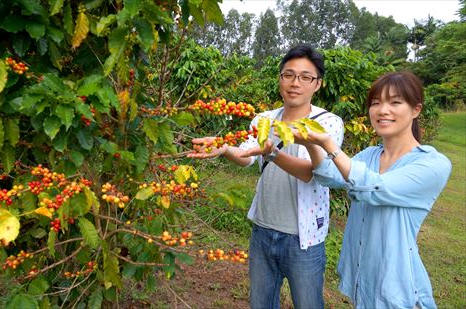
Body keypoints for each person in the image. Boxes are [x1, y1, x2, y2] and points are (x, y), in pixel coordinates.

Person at [188, 44, 344, 309]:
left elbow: (311, 172)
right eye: (288, 74)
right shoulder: (264, 119)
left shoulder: (327, 124)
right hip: (263, 230)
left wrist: (272, 154)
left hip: (303, 239)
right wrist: (225, 147)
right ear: (280, 78)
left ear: (317, 84)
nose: (295, 83)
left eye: (305, 77)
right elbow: (247, 156)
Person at [291, 71, 451, 308]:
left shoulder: (433, 164)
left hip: (399, 290)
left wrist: (328, 144)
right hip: (364, 281)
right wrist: (313, 145)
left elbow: (373, 187)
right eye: (376, 103)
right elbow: (330, 176)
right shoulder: (370, 155)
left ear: (415, 110)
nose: (382, 110)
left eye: (395, 102)